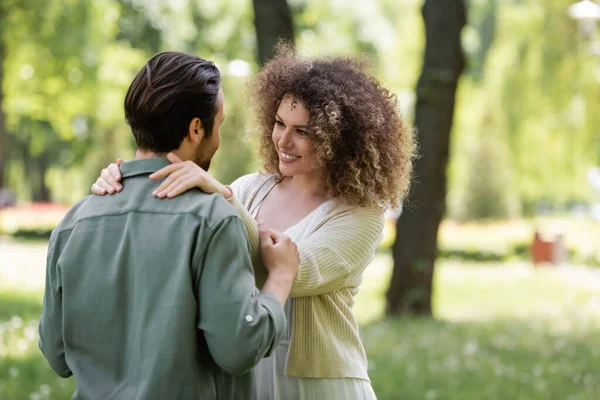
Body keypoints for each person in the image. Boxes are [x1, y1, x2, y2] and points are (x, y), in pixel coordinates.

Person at [92, 46, 415, 400]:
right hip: (245, 375)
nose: (284, 141)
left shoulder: (360, 214)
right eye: (279, 123)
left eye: (303, 131)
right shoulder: (250, 188)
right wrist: (124, 180)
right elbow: (196, 241)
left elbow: (295, 271)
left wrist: (222, 196)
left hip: (322, 387)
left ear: (339, 139)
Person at [39, 52, 300, 400]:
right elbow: (239, 347)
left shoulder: (73, 223)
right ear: (196, 128)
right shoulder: (214, 221)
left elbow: (57, 355)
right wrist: (280, 277)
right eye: (218, 125)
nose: (218, 138)